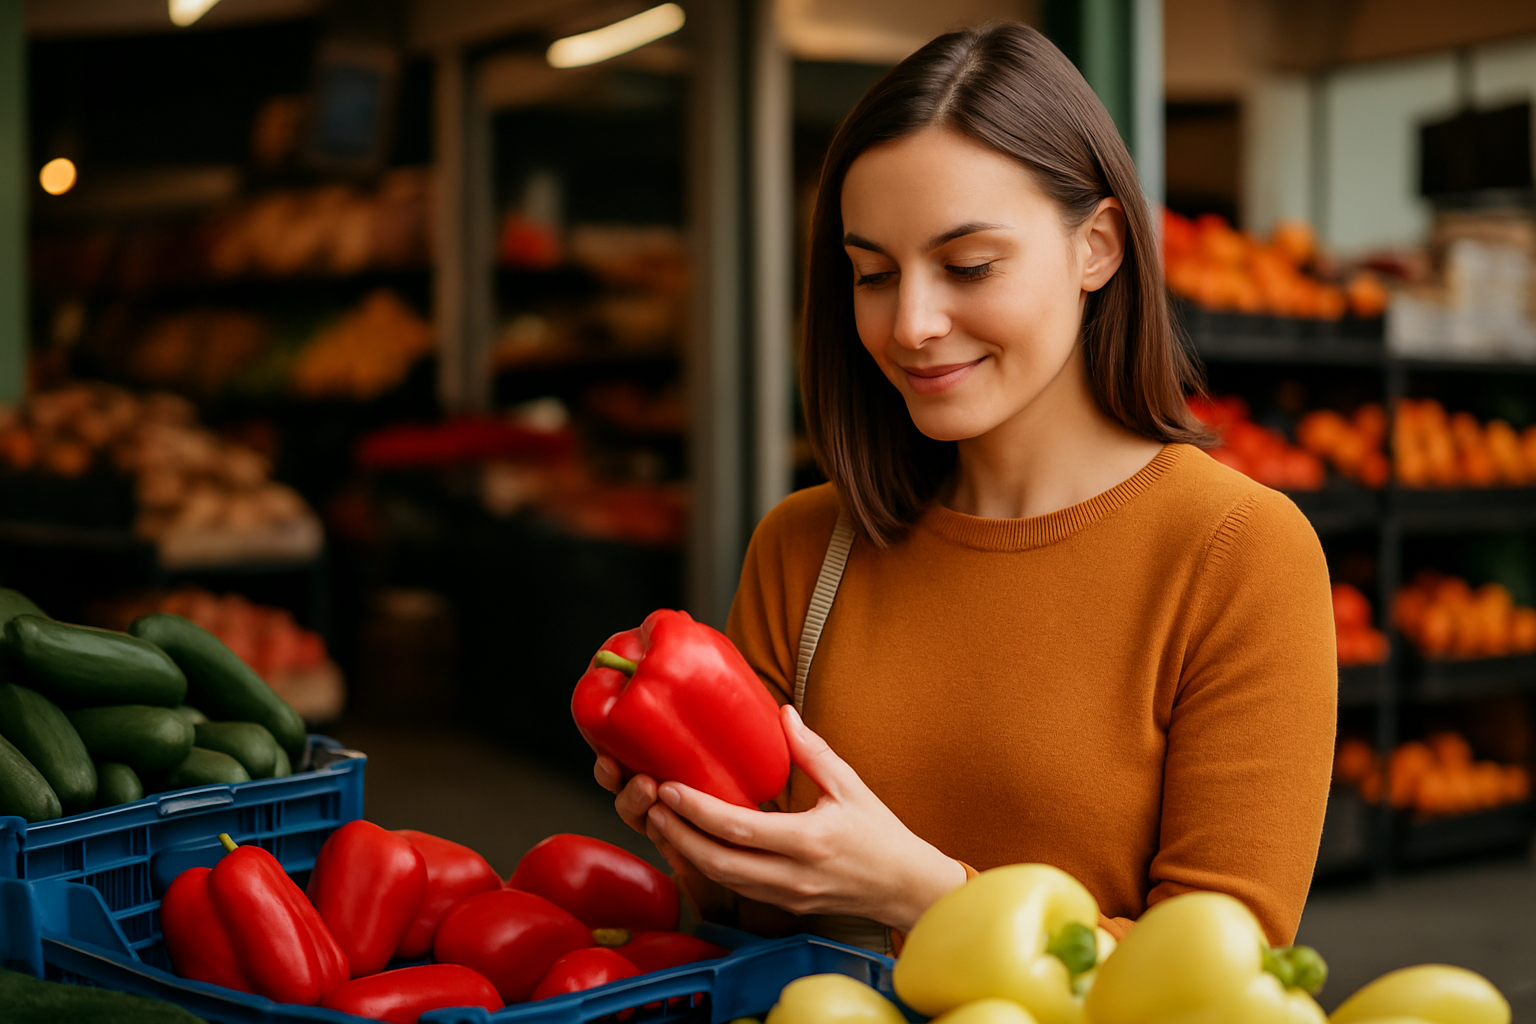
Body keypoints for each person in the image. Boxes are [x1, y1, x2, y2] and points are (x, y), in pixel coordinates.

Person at [594, 21, 1336, 953]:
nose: (910, 323)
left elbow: (1224, 985)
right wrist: (702, 836)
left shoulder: (1238, 553)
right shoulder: (803, 546)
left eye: (968, 266)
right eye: (872, 274)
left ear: (1098, 247)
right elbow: (753, 925)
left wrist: (929, 896)